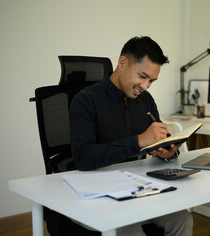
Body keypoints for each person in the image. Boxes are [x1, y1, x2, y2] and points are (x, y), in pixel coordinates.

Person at [69, 36, 193, 236]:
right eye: (142, 76)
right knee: (132, 231)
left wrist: (167, 152)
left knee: (182, 219)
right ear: (122, 63)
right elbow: (83, 158)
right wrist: (138, 141)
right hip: (98, 189)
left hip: (138, 185)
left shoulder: (145, 100)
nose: (146, 86)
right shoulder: (85, 101)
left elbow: (157, 140)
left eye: (151, 80)